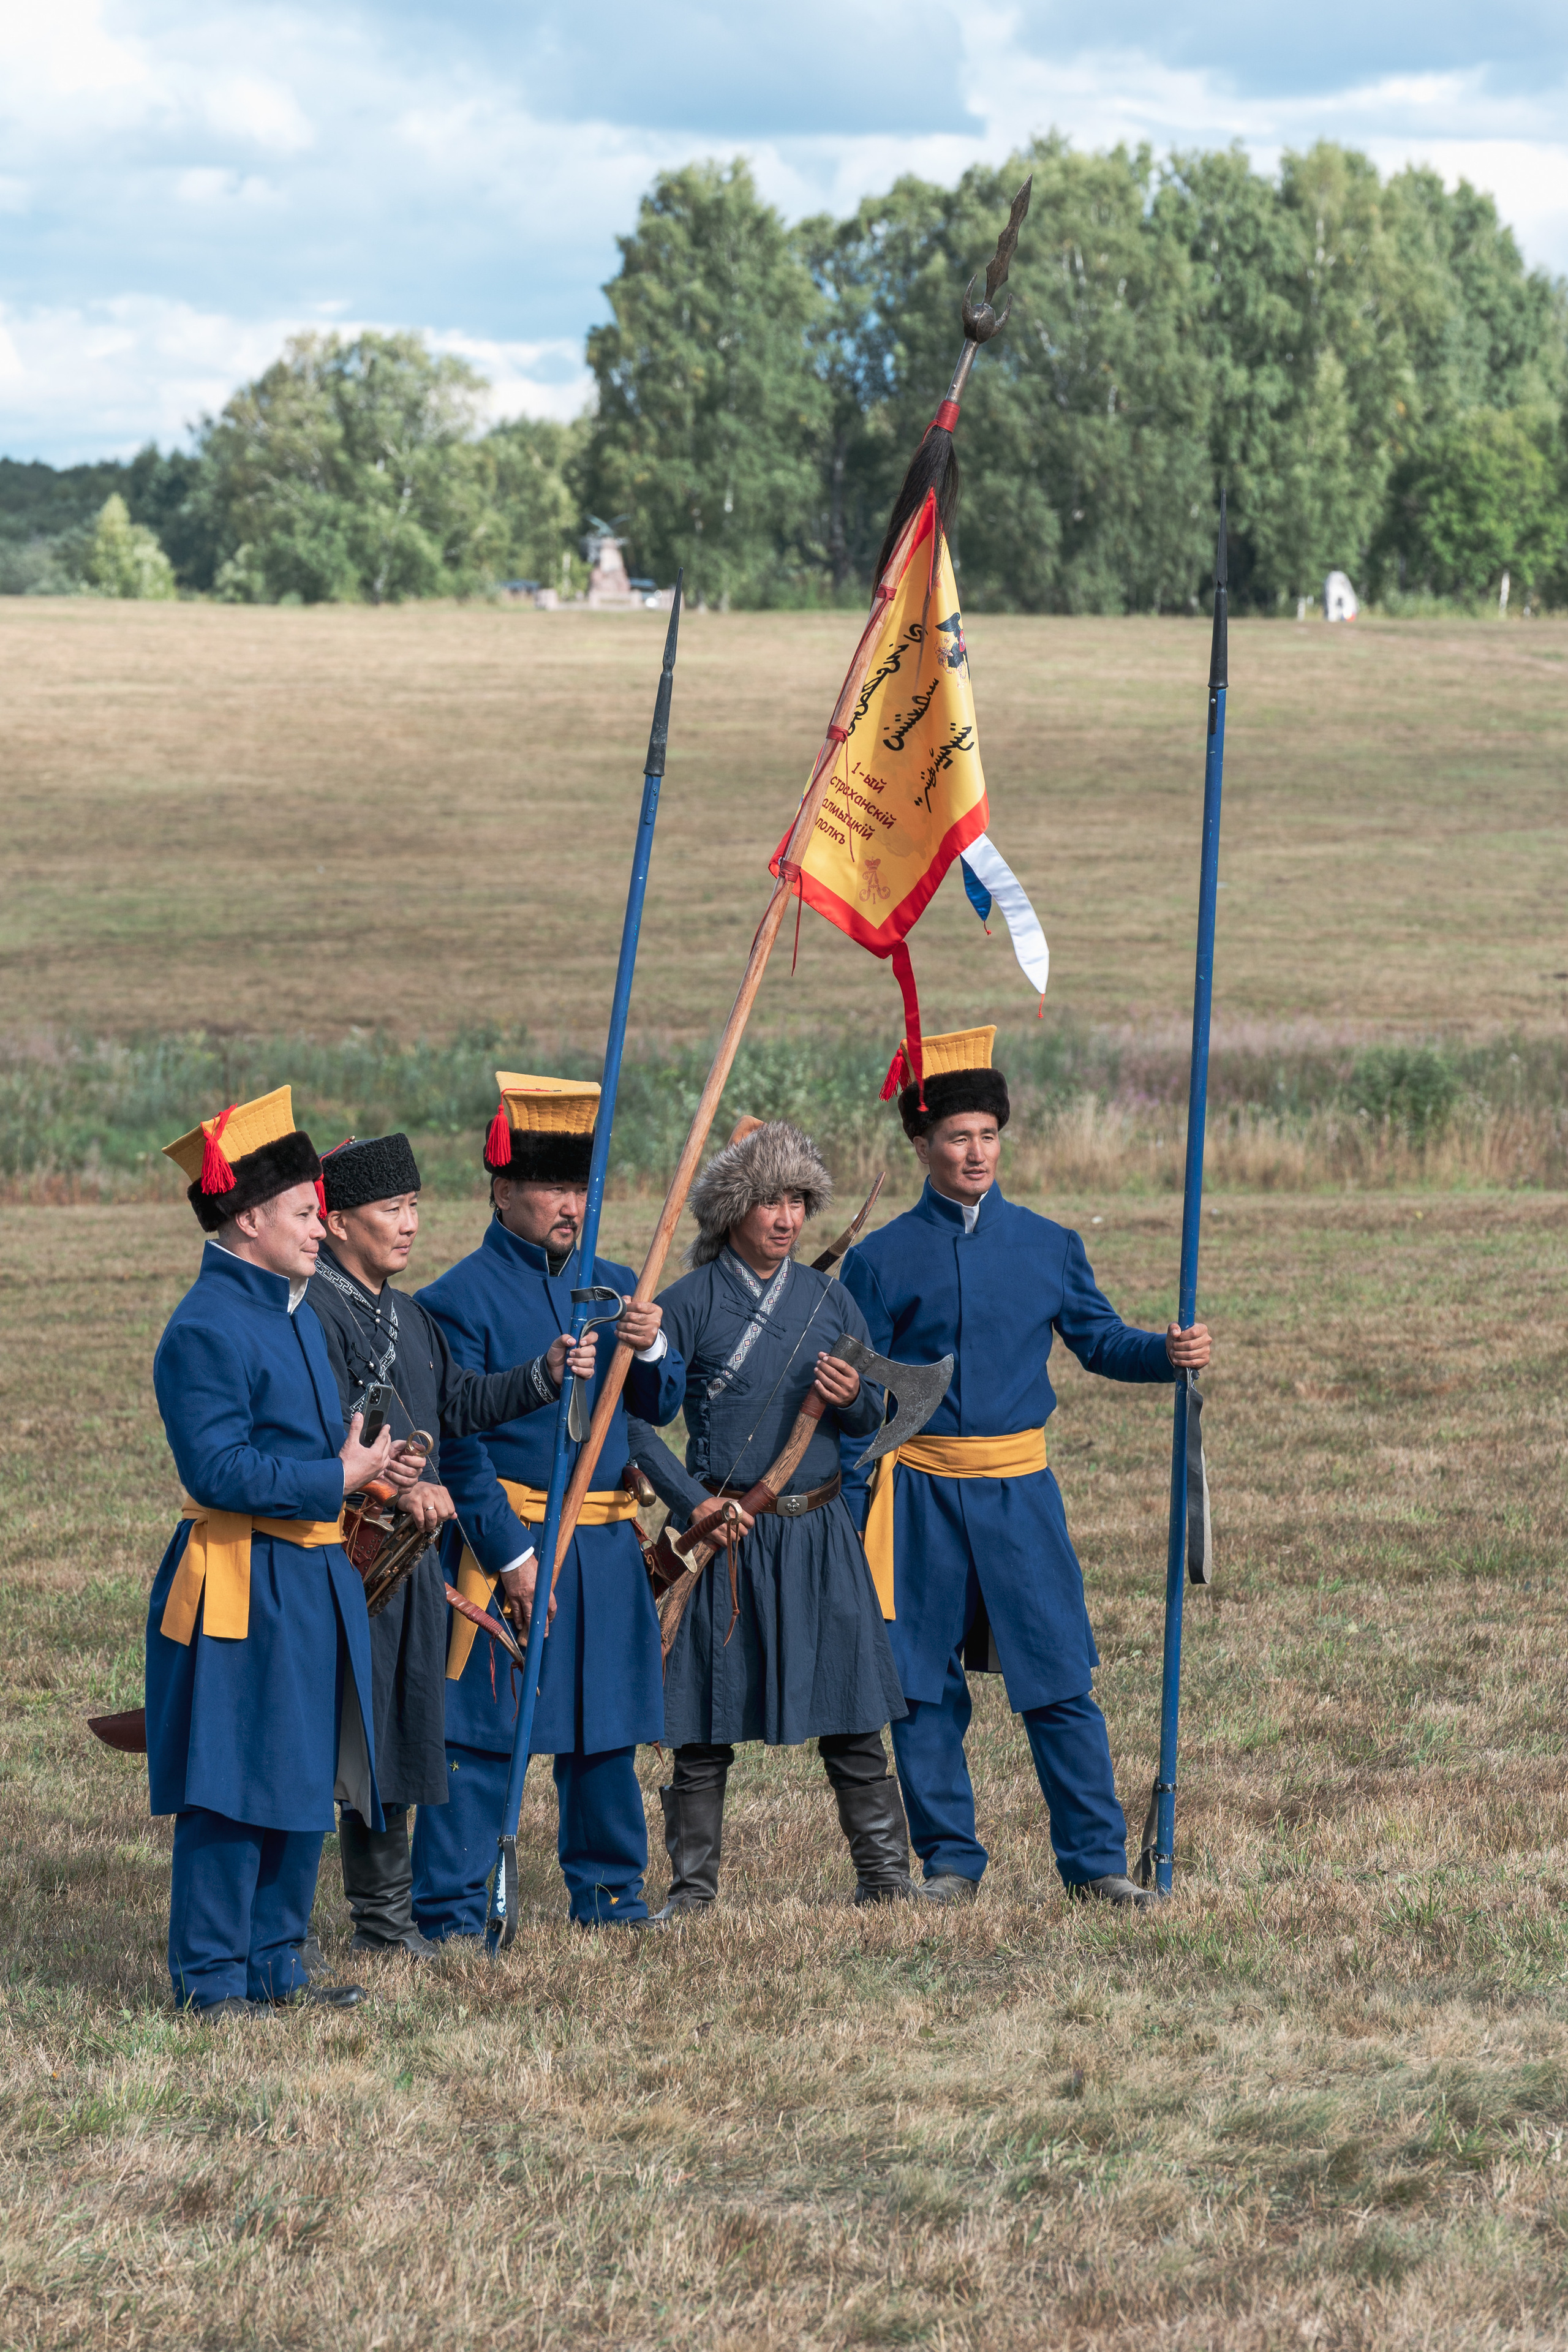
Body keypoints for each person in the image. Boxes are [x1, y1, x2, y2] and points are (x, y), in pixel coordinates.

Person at [839, 1028, 1212, 1910]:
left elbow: (1100, 1342)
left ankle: (1096, 1865)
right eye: (959, 1137)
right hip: (916, 1495)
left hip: (1020, 1495)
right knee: (921, 1688)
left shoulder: (1049, 1245)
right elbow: (861, 1401)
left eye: (989, 1136)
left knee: (1057, 1678)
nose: (977, 1152)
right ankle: (950, 1865)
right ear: (922, 1145)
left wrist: (1166, 1352)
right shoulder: (880, 1259)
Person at [306, 1131, 600, 1959]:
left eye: (413, 1208)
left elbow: (457, 1405)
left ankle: (388, 1926)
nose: (408, 1225)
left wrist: (541, 1377)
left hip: (411, 1566)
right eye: (390, 1209)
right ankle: (371, 1925)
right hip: (343, 1561)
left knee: (397, 1733)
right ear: (335, 1223)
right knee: (353, 1745)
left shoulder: (403, 1314)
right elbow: (319, 1438)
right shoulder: (316, 1314)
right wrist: (395, 1487)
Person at [411, 1072, 685, 1936]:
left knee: (603, 1733)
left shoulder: (613, 1284)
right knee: (483, 1738)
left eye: (581, 1188)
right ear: (502, 1190)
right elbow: (460, 1448)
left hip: (604, 1547)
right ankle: (454, 1911)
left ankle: (611, 1896)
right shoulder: (453, 1302)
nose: (570, 1205)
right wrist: (512, 1558)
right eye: (551, 1188)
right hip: (510, 1545)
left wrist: (652, 1346)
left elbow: (662, 1405)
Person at [626, 1120, 916, 1915]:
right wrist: (695, 1506)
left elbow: (875, 1417)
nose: (786, 1219)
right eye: (768, 1201)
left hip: (819, 1534)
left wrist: (857, 1402)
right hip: (724, 1536)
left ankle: (887, 1881)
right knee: (699, 1727)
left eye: (797, 1200)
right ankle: (691, 1892)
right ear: (732, 1211)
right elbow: (635, 1421)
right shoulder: (686, 1305)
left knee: (854, 1715)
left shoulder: (831, 1299)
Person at [148, 1086, 391, 2015]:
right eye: (304, 1213)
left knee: (300, 1769)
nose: (321, 1231)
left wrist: (367, 1470)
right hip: (241, 1578)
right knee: (231, 1777)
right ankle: (211, 1982)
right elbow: (217, 1470)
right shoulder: (205, 1326)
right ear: (248, 1218)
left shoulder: (289, 1311)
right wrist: (337, 1477)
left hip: (311, 1572)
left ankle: (276, 1967)